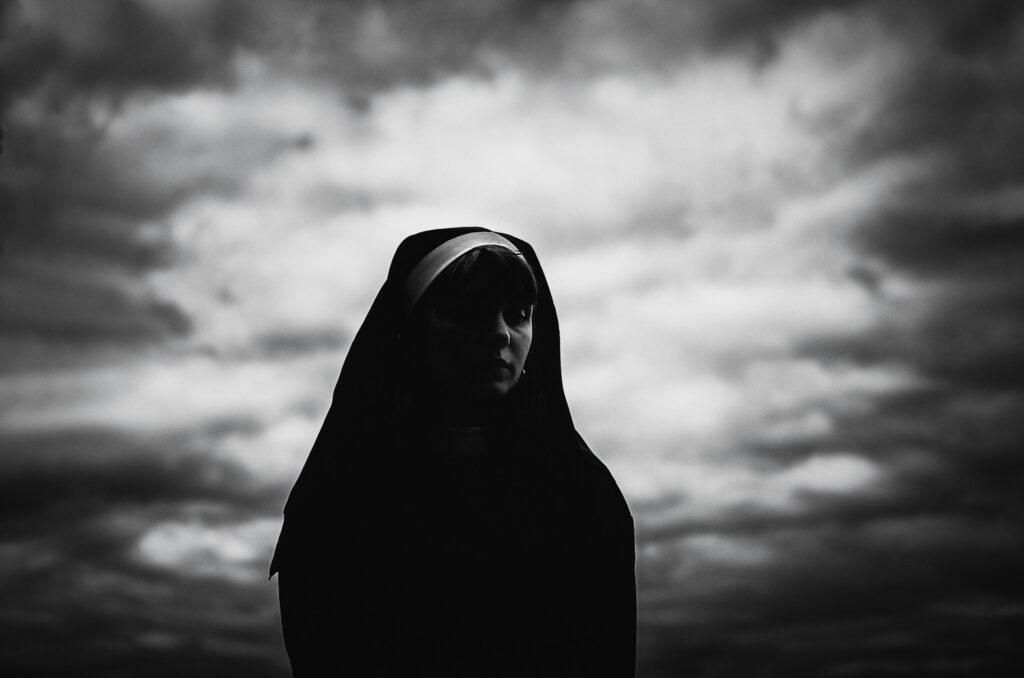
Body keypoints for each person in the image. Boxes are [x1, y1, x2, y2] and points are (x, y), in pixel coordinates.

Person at [270, 227, 636, 677]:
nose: (501, 334)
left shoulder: (582, 497)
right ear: (412, 328)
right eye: (469, 312)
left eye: (519, 313)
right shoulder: (343, 501)